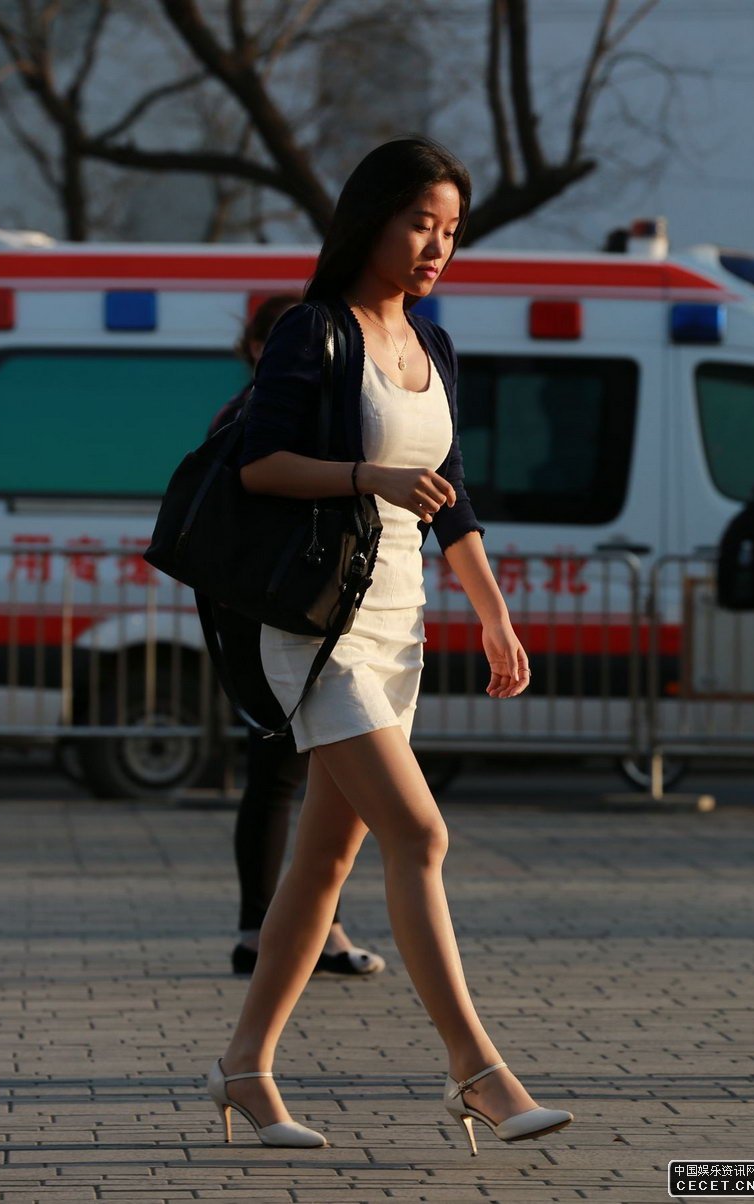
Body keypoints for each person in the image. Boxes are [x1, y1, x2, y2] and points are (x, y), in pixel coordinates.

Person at [206, 136, 574, 1155]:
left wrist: (493, 614)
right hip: (316, 628)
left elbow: (451, 497)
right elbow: (261, 467)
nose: (436, 246)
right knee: (421, 835)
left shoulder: (432, 344)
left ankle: (243, 1067)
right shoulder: (312, 331)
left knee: (324, 861)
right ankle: (477, 1070)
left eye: (450, 230)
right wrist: (367, 477)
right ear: (371, 218)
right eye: (420, 223)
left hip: (398, 621)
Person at [209, 295, 386, 978]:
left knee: (308, 778)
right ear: (260, 348)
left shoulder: (257, 408)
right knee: (290, 774)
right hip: (278, 613)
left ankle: (293, 929)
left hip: (274, 608)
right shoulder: (265, 415)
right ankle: (278, 931)